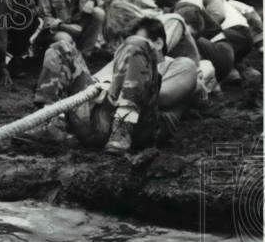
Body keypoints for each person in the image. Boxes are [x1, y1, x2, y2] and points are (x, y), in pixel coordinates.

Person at [34, 14, 203, 155]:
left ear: (158, 43)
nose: (126, 51)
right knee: (62, 47)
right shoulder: (121, 61)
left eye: (131, 45)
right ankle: (48, 122)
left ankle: (122, 127)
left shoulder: (182, 65)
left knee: (135, 47)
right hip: (100, 118)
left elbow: (164, 99)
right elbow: (94, 85)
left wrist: (122, 82)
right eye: (124, 46)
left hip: (140, 127)